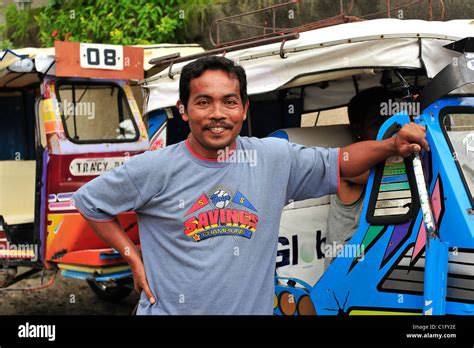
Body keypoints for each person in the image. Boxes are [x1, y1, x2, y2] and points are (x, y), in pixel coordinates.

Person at [72, 56, 428, 315]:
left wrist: (390, 146)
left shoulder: (274, 158)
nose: (217, 113)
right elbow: (91, 202)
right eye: (203, 102)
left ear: (243, 108)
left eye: (229, 101)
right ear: (183, 110)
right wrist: (134, 259)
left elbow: (341, 161)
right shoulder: (154, 168)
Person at [325, 87, 398, 269]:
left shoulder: (395, 160)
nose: (386, 129)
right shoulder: (346, 165)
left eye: (391, 121)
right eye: (377, 123)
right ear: (359, 130)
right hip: (346, 273)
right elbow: (389, 174)